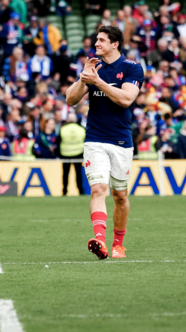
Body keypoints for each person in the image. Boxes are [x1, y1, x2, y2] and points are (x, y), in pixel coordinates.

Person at [65, 25, 143, 260]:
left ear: (115, 43)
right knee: (98, 189)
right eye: (96, 40)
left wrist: (97, 82)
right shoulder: (93, 67)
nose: (96, 44)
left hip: (121, 140)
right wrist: (83, 77)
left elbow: (126, 99)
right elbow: (70, 99)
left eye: (101, 40)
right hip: (95, 139)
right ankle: (100, 240)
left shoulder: (132, 68)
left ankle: (119, 243)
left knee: (120, 195)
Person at [57, 113, 86, 196]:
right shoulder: (81, 129)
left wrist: (59, 154)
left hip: (65, 154)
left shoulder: (63, 129)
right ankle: (80, 191)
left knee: (65, 174)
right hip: (78, 154)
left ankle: (64, 191)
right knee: (78, 174)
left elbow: (58, 142)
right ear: (76, 120)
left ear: (68, 120)